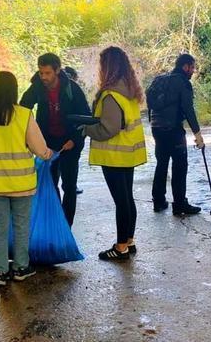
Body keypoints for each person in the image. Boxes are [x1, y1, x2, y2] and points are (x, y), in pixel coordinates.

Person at [0, 71, 53, 287]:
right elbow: (39, 147)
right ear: (14, 90)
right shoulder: (23, 114)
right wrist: (48, 154)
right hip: (20, 182)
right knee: (21, 225)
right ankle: (21, 267)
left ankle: (0, 272)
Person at [81, 46, 147, 261]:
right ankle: (128, 240)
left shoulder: (111, 95)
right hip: (128, 154)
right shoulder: (129, 91)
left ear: (107, 67)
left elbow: (108, 129)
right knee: (127, 198)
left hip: (114, 156)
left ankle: (120, 248)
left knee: (121, 201)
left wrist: (85, 129)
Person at [20, 53, 90, 225]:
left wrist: (75, 139)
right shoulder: (37, 87)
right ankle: (56, 222)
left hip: (69, 145)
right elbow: (22, 109)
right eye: (41, 72)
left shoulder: (72, 88)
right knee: (50, 186)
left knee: (69, 186)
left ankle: (67, 225)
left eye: (47, 73)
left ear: (57, 70)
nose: (43, 77)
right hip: (47, 144)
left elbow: (85, 117)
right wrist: (31, 137)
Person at [147, 53, 204, 216]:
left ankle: (158, 201)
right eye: (192, 67)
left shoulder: (159, 79)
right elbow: (188, 109)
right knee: (180, 166)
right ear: (185, 66)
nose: (193, 71)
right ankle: (179, 204)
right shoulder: (182, 82)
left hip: (156, 128)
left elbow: (150, 104)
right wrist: (197, 134)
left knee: (162, 163)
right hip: (174, 130)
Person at [62, 66, 85, 196]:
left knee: (57, 170)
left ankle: (69, 187)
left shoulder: (71, 88)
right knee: (70, 171)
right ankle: (71, 186)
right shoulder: (74, 88)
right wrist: (77, 139)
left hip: (61, 140)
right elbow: (84, 115)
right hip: (71, 138)